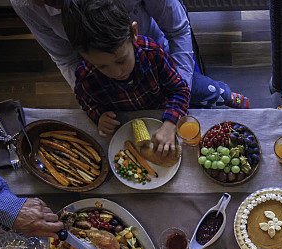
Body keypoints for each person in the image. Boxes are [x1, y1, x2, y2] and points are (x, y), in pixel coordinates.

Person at [11, 0, 249, 109]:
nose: (118, 73)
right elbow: (66, 61)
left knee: (199, 90)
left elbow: (178, 30)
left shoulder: (152, 51)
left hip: (158, 60)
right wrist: (100, 108)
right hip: (105, 70)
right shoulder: (26, 6)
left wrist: (178, 99)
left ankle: (226, 95)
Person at [60, 0, 191, 151]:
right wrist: (99, 116)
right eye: (101, 66)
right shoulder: (85, 75)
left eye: (121, 61)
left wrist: (171, 123)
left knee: (208, 91)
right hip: (124, 123)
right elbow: (87, 103)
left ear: (134, 33)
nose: (116, 73)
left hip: (161, 108)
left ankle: (223, 92)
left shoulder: (152, 52)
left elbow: (180, 89)